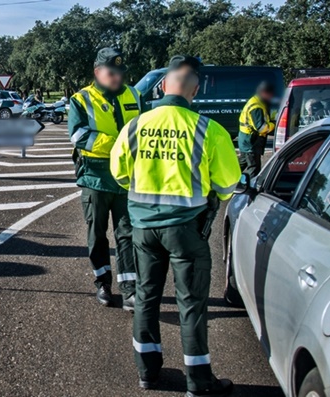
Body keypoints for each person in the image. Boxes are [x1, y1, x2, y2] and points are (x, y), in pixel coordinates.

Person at [110, 56, 241, 396]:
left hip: (143, 229)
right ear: (194, 92)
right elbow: (228, 183)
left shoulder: (135, 126)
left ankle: (147, 372)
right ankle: (198, 382)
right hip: (186, 230)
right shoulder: (208, 129)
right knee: (191, 304)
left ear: (164, 85)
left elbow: (120, 174)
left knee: (147, 297)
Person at [68, 47, 141, 310]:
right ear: (98, 72)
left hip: (126, 180)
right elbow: (79, 135)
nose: (118, 77)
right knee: (97, 235)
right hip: (95, 178)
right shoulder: (81, 99)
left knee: (128, 235)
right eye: (112, 73)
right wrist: (121, 144)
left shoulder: (135, 94)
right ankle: (102, 283)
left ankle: (130, 290)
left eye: (121, 72)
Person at [238, 81, 276, 178]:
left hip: (246, 139)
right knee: (254, 167)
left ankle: (227, 179)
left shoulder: (258, 101)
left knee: (241, 164)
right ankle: (251, 187)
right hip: (250, 141)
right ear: (264, 93)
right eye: (270, 94)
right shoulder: (256, 107)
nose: (272, 96)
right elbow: (261, 128)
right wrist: (274, 126)